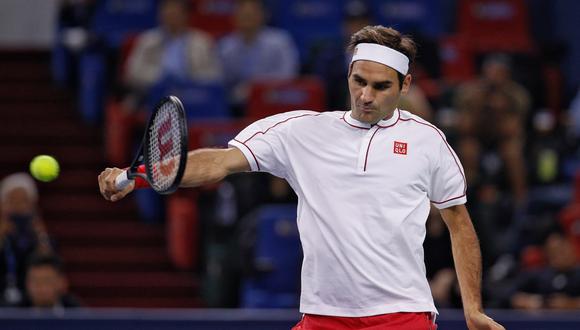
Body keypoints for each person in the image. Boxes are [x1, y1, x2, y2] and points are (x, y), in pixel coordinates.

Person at [99, 25, 504, 329]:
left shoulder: (427, 141)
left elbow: (459, 224)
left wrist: (473, 308)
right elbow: (218, 163)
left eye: (381, 87)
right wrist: (142, 176)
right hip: (322, 315)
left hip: (402, 315)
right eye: (358, 81)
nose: (365, 96)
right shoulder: (299, 131)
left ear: (405, 85)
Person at [123, 0, 222, 111]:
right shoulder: (147, 41)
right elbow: (132, 72)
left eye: (175, 10)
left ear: (186, 14)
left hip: (192, 95)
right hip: (153, 94)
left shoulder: (202, 42)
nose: (170, 14)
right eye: (167, 10)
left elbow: (214, 75)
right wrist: (160, 77)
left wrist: (188, 81)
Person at [218, 0, 299, 115]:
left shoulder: (280, 41)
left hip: (275, 99)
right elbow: (222, 80)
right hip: (239, 104)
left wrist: (256, 88)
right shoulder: (226, 47)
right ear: (235, 17)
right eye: (244, 15)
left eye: (251, 15)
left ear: (262, 15)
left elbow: (288, 75)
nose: (247, 19)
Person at [0, 173, 53, 306]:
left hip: (34, 301)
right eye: (13, 201)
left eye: (24, 201)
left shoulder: (39, 234)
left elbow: (50, 264)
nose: (18, 206)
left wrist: (41, 235)